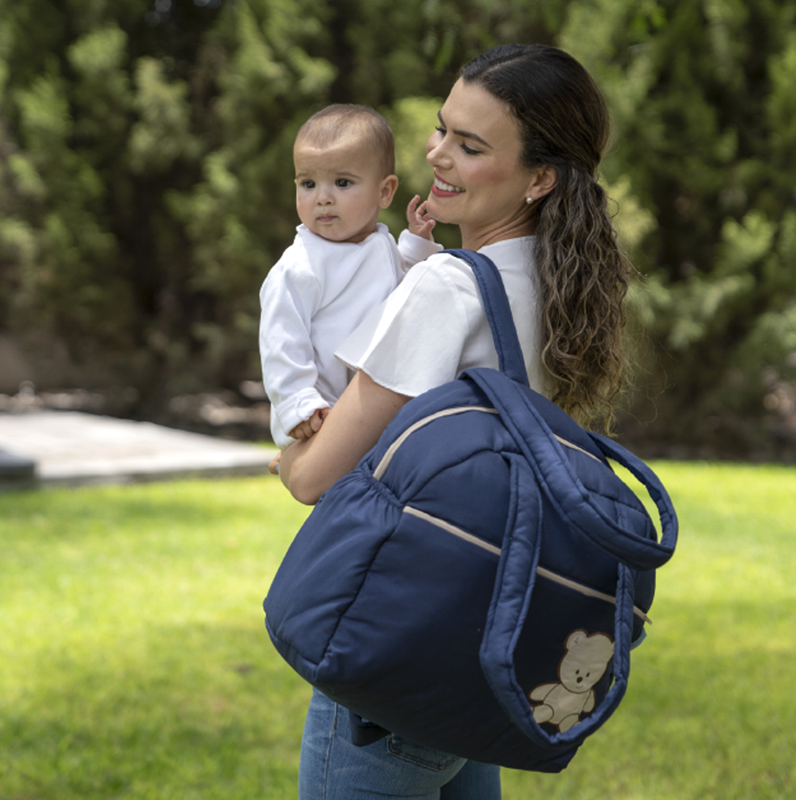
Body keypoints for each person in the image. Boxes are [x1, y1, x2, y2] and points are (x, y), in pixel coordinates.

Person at [276, 44, 633, 800]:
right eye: (443, 130)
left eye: (470, 146)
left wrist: (291, 446)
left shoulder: (445, 287)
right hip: (485, 651)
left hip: (399, 656)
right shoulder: (559, 282)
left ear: (540, 178)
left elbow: (314, 479)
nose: (437, 154)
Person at [259, 104, 440, 450]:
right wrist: (299, 402)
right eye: (308, 183)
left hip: (376, 406)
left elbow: (405, 294)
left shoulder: (380, 245)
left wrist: (417, 246)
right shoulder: (300, 265)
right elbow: (280, 339)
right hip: (321, 411)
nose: (323, 198)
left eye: (342, 182)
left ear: (385, 192)